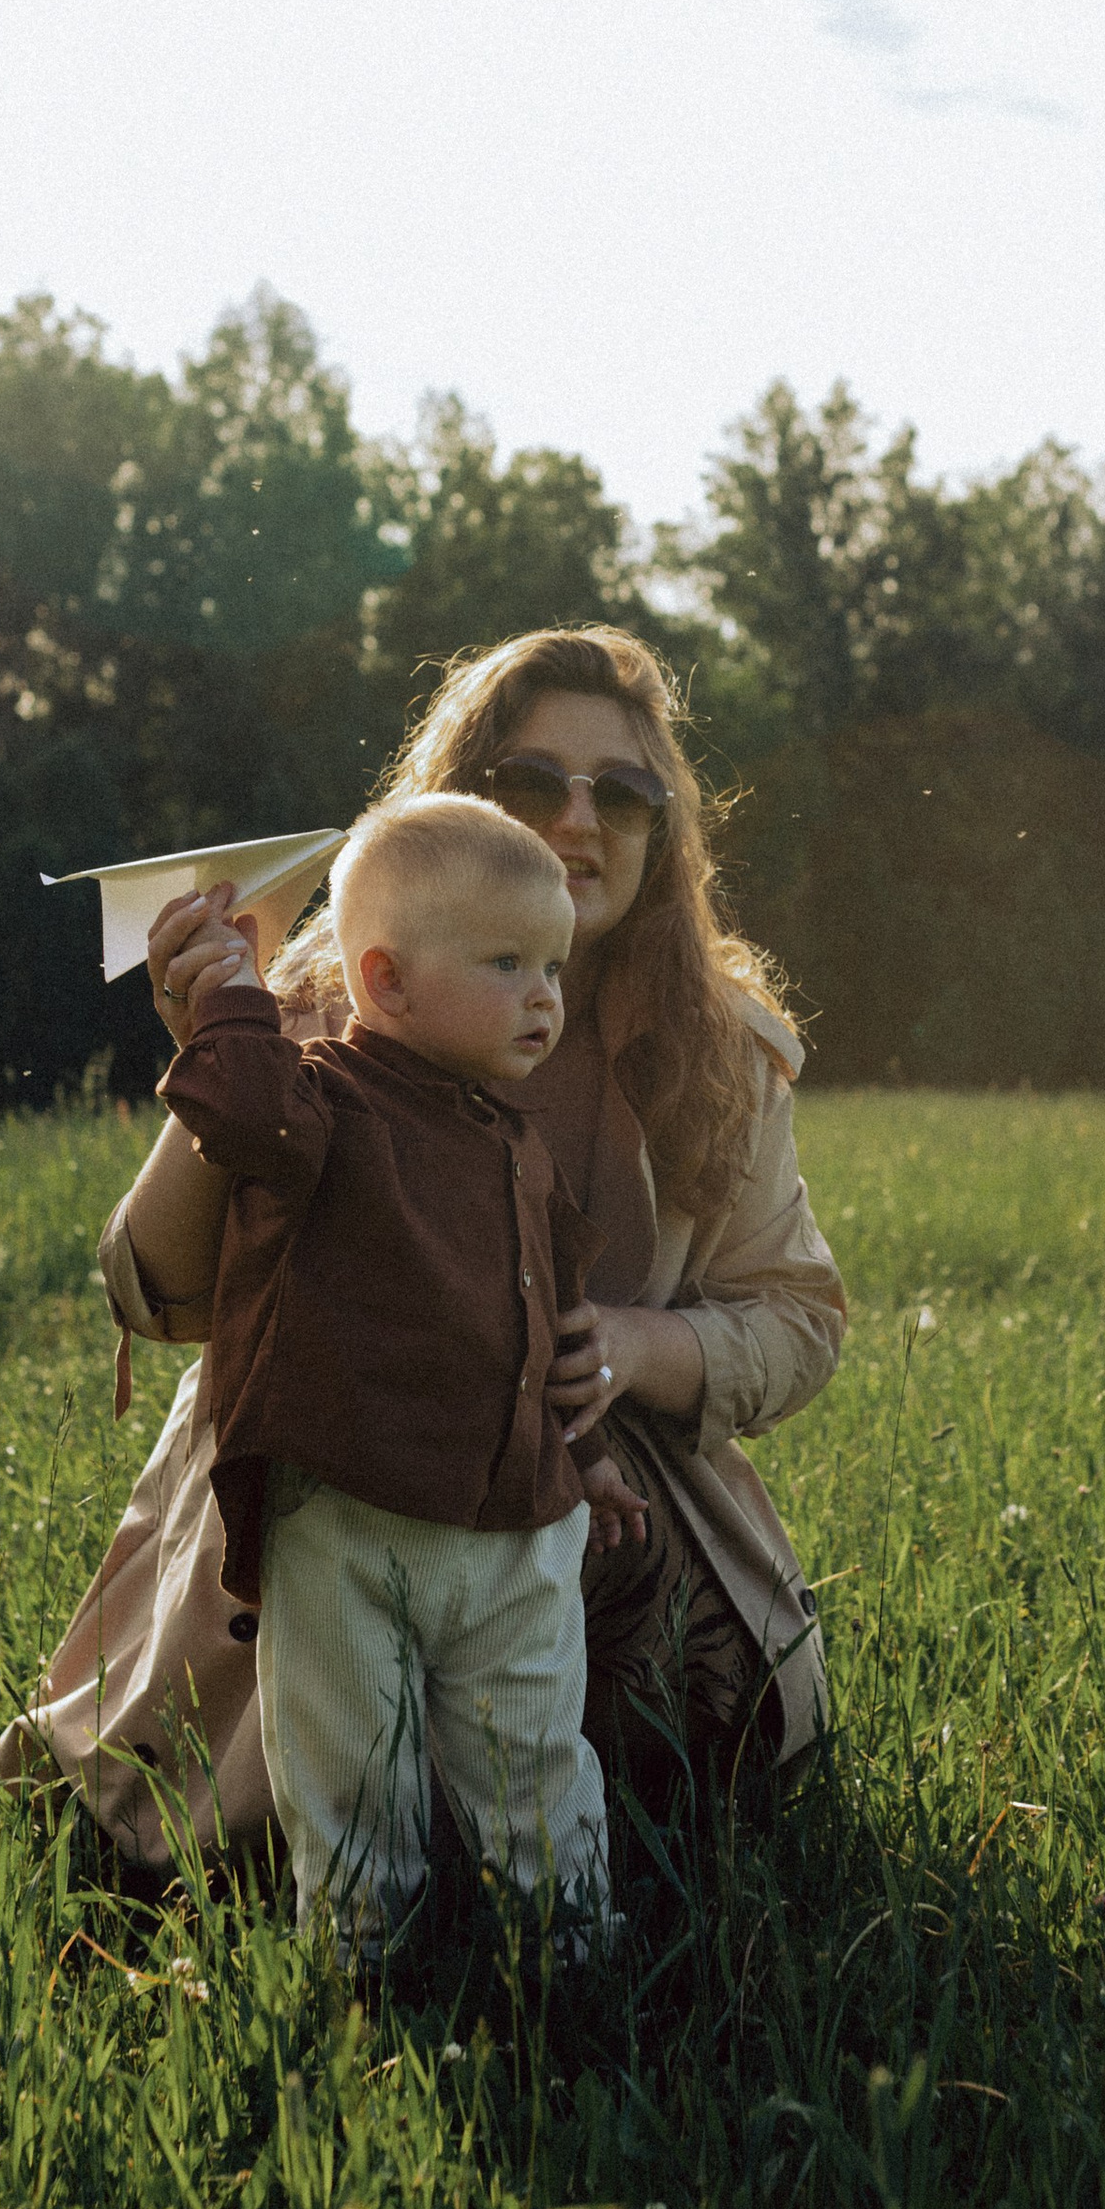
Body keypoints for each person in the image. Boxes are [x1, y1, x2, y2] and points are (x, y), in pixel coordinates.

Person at [0, 626, 846, 1888]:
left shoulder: (723, 1049)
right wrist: (215, 1062)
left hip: (595, 1492)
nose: (577, 818)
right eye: (528, 783)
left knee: (651, 1800)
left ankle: (564, 1908)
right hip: (335, 1475)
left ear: (659, 831)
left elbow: (796, 1319)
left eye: (622, 792)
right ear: (455, 804)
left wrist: (635, 1347)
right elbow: (155, 1294)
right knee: (281, 1820)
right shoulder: (334, 997)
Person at [161, 794, 648, 1940]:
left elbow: (543, 1328)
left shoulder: (512, 1142)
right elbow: (232, 1105)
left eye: (553, 967)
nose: (544, 995)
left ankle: (567, 1941)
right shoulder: (320, 1098)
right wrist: (230, 991)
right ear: (384, 981)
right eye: (506, 962)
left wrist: (592, 1455)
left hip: (514, 1523)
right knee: (347, 1763)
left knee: (533, 1749)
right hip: (345, 1515)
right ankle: (361, 1952)